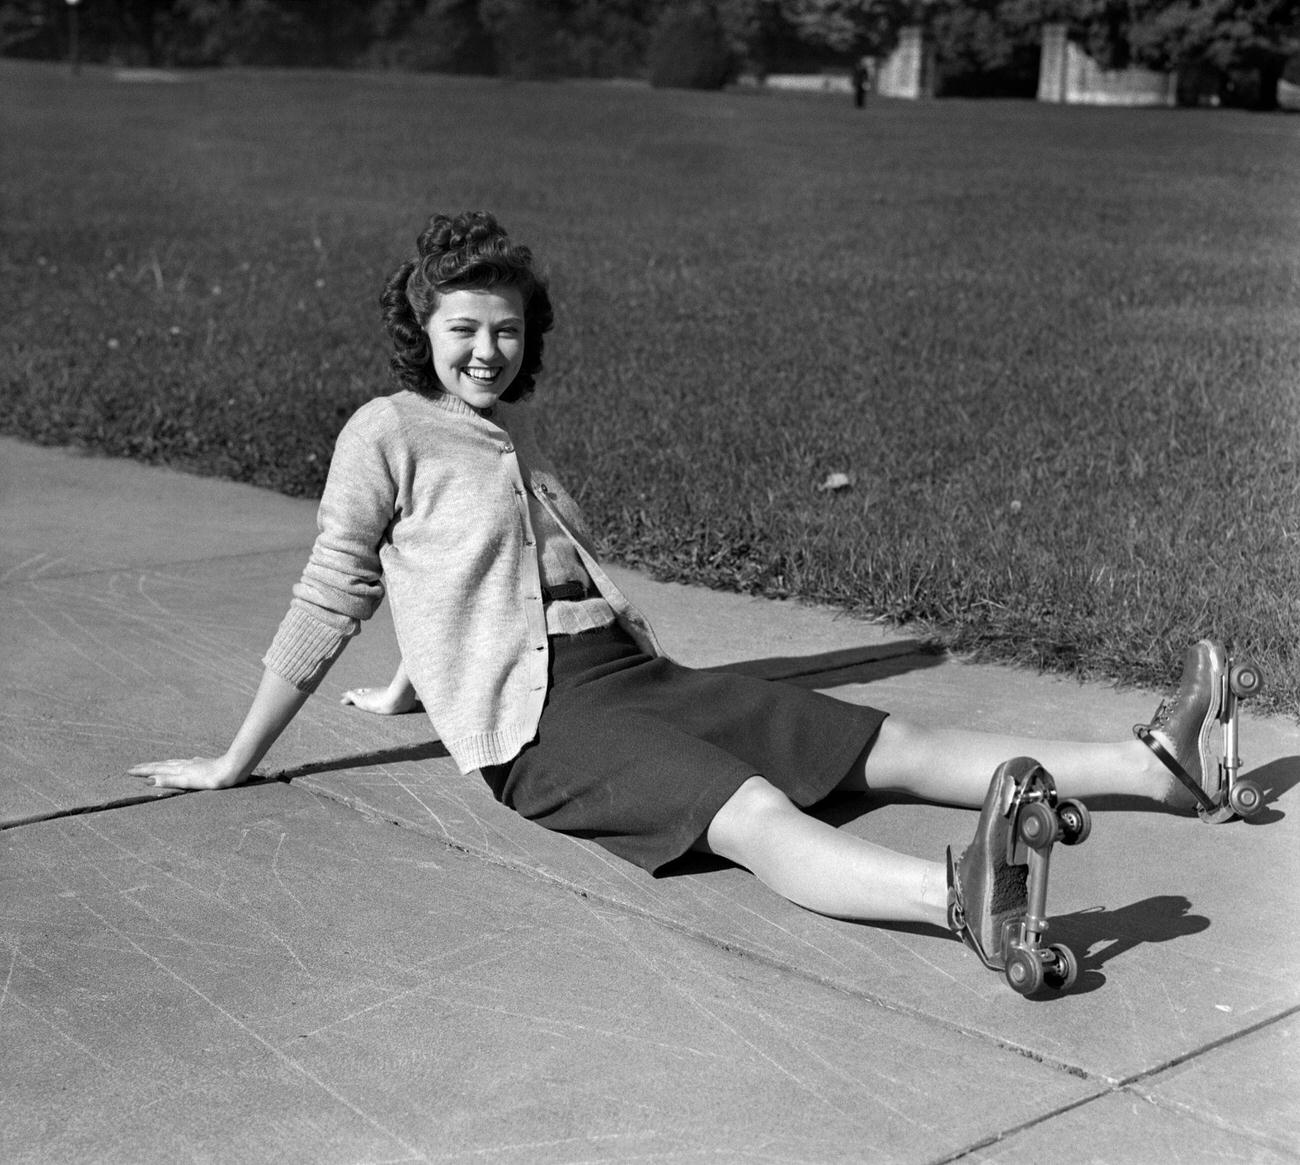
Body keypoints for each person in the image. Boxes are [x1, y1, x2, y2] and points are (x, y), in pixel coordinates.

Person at [130, 211, 1232, 978]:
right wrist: (237, 759)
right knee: (754, 813)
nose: (486, 349)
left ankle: (1160, 768)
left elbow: (456, 584)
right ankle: (963, 900)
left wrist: (411, 685)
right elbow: (339, 589)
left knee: (884, 737)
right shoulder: (384, 430)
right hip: (546, 730)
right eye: (462, 327)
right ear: (420, 330)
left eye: (507, 329)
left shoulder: (506, 431)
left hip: (638, 677)